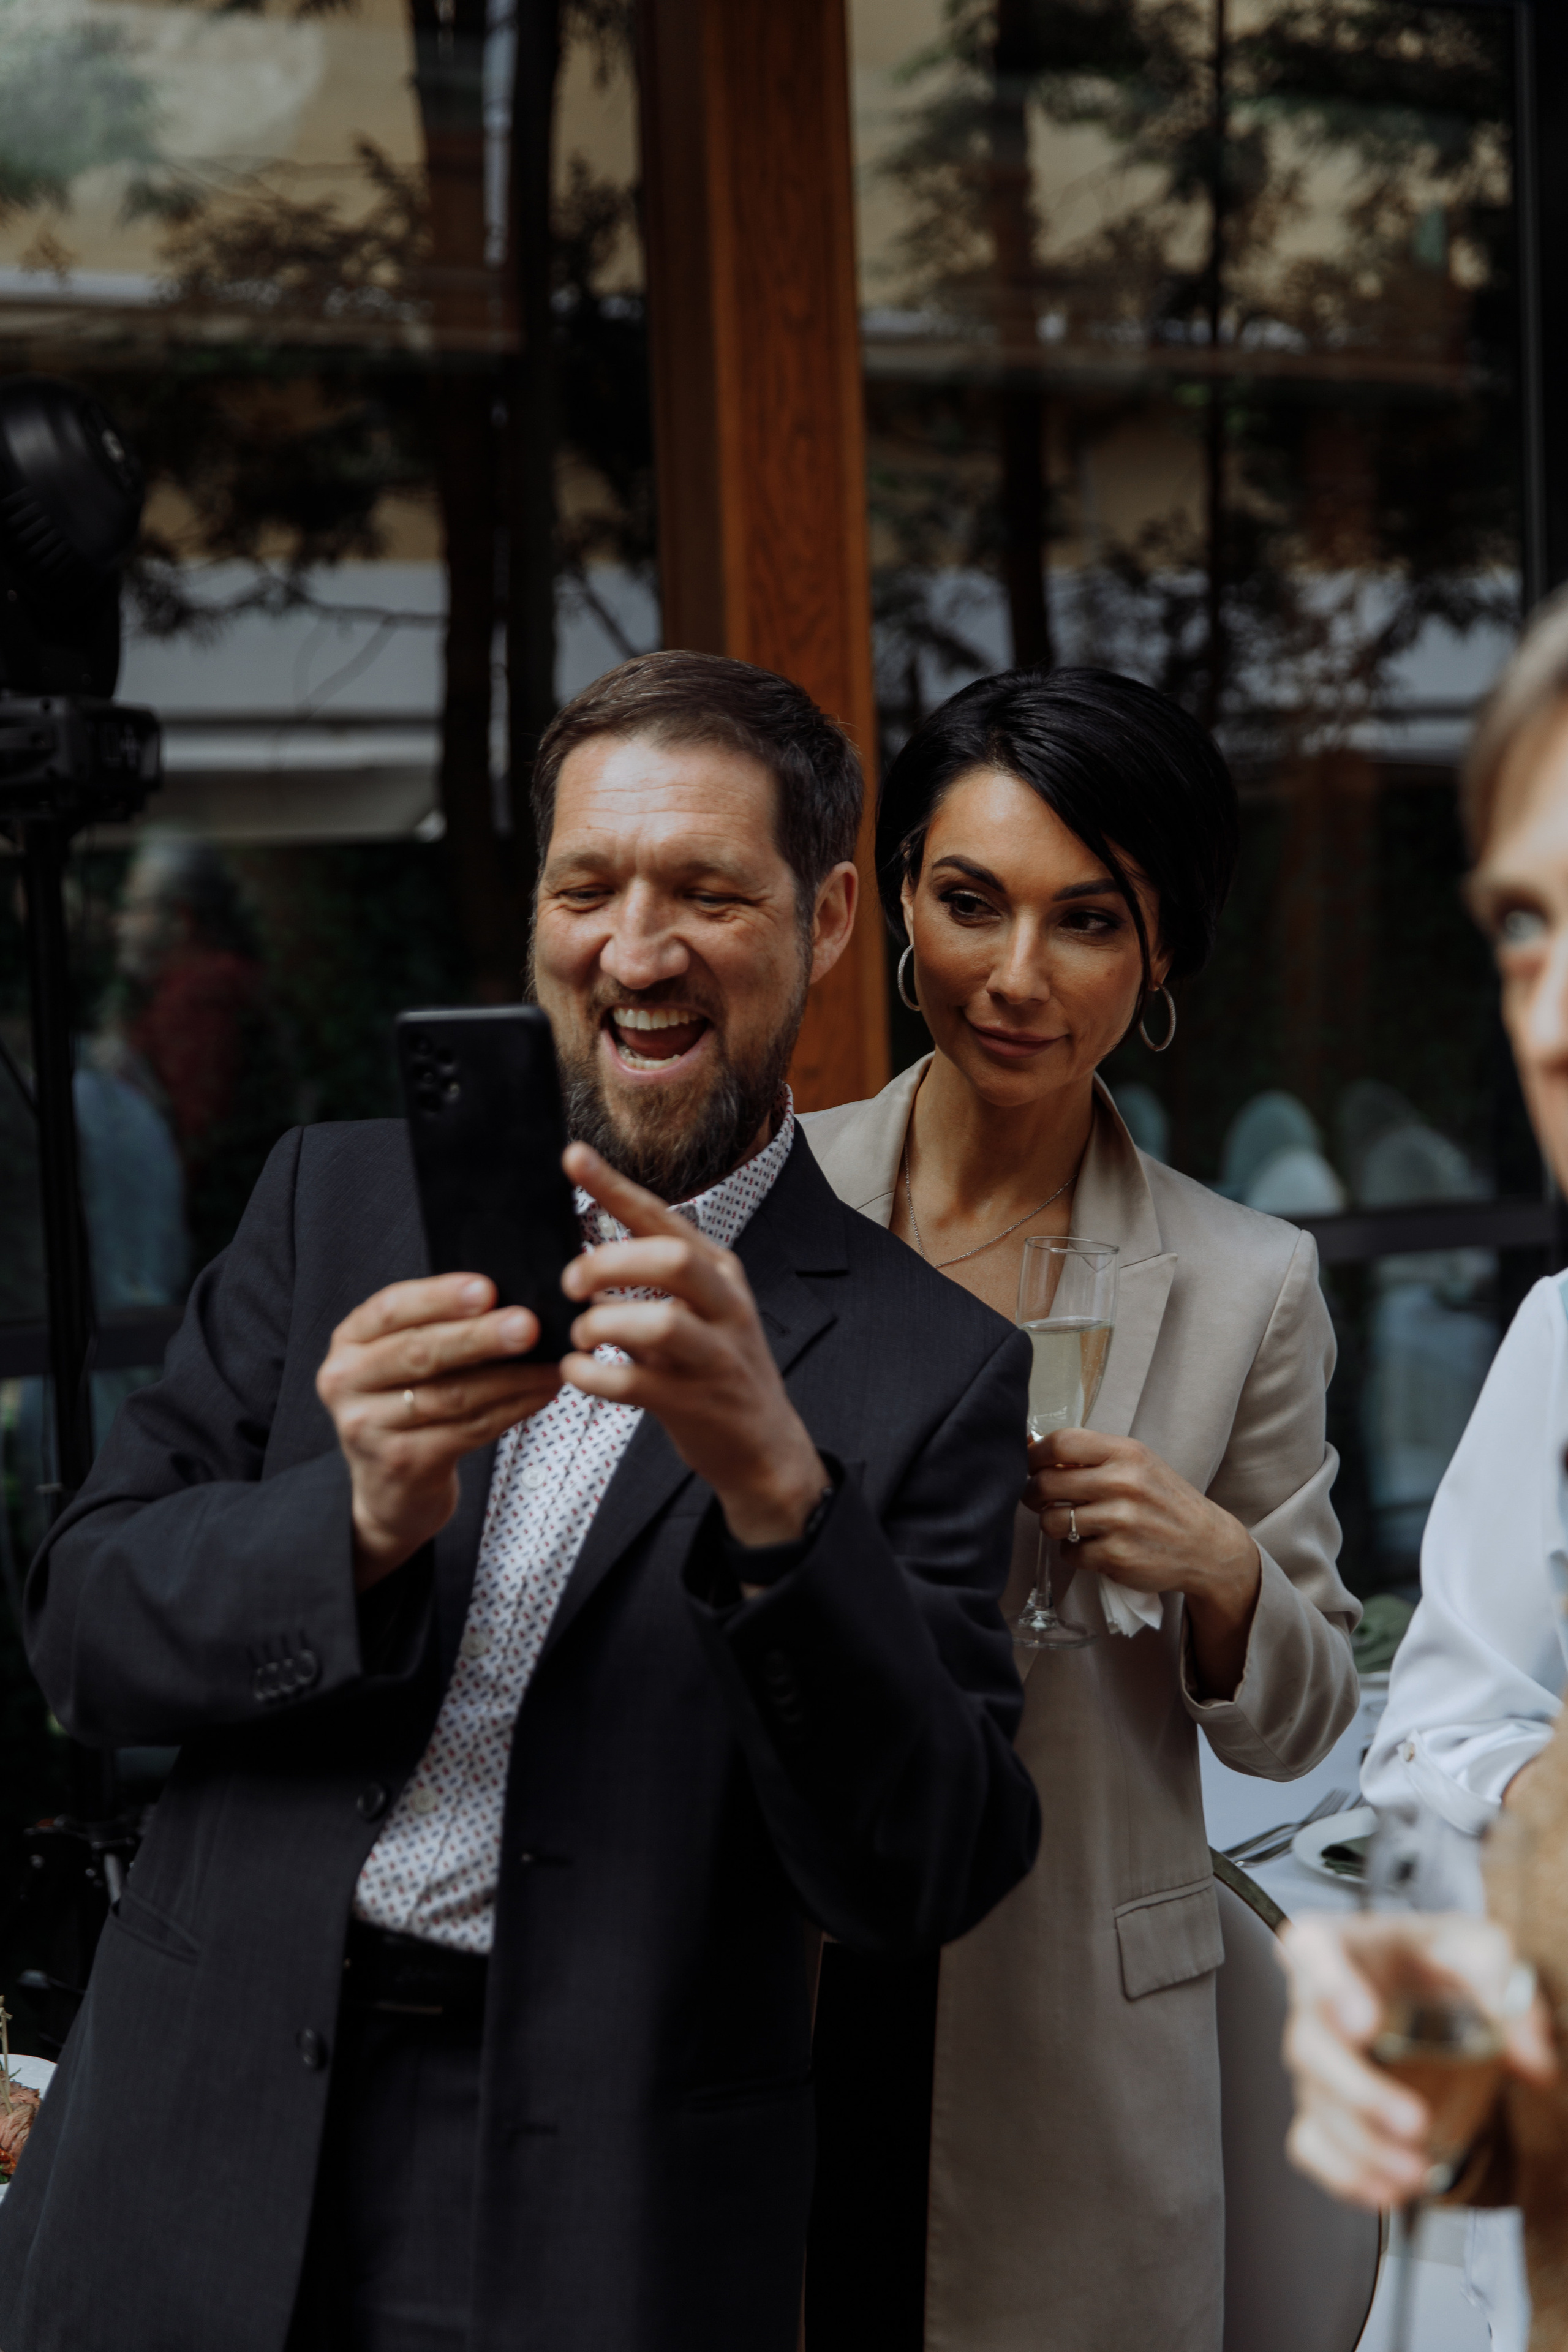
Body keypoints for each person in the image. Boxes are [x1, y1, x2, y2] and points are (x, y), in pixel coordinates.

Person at [0, 650, 1042, 2352]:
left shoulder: (931, 1368)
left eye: (709, 890)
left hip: (588, 2207)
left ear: (832, 918)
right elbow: (84, 1634)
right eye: (591, 887)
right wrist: (347, 1525)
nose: (639, 949)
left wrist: (783, 1494)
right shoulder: (329, 1201)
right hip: (188, 2138)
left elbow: (924, 1869)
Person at [801, 666, 1360, 2352]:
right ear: (898, 900)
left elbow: (1308, 1708)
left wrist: (1221, 1573)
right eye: (969, 903)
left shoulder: (1244, 1281)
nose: (1017, 978)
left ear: (1162, 950)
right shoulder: (767, 1201)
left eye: (1089, 921)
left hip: (1069, 2020)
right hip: (781, 1978)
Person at [1280, 586, 1568, 2339]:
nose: (1552, 1016)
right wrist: (1432, 2061)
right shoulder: (1560, 1350)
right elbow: (1436, 1758)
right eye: (1529, 925)